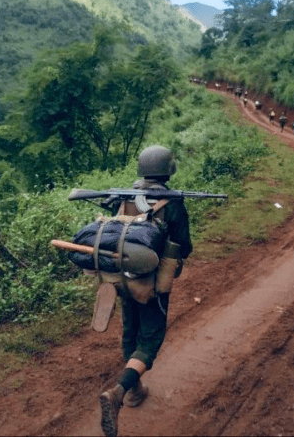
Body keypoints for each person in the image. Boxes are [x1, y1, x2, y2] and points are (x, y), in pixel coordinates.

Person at [99, 145, 193, 437]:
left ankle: (135, 390)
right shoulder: (172, 203)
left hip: (123, 279)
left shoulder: (124, 197)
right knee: (150, 339)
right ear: (167, 170)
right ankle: (120, 391)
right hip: (152, 284)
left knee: (131, 330)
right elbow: (184, 246)